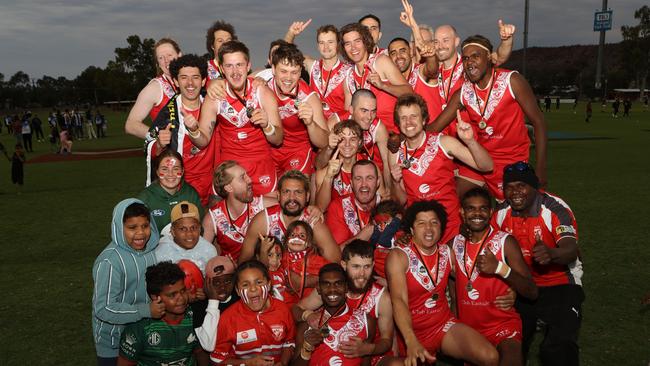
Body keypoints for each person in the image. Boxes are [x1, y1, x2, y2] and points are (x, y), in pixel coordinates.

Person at [428, 34, 548, 199]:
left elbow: (538, 122)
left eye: (476, 56)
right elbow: (434, 128)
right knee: (454, 199)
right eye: (466, 58)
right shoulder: (463, 92)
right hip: (479, 160)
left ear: (490, 58)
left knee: (511, 212)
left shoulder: (512, 81)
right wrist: (402, 136)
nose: (469, 62)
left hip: (512, 161)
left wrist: (541, 168)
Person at [386, 200, 498, 366]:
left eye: (434, 223)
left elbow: (471, 279)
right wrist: (410, 340)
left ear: (441, 228)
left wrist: (508, 289)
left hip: (442, 325)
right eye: (421, 223)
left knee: (490, 357)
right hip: (409, 333)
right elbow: (399, 300)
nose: (429, 228)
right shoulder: (399, 256)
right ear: (412, 229)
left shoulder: (447, 253)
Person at [493, 162, 584, 366]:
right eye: (509, 186)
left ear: (535, 187)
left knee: (558, 347)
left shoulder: (553, 208)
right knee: (510, 343)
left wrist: (552, 253)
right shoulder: (500, 213)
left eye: (521, 186)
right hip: (523, 285)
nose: (515, 192)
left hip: (561, 282)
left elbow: (570, 249)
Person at [390, 93, 493, 244]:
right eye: (403, 118)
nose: (409, 122)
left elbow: (487, 166)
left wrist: (470, 142)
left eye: (414, 116)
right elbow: (401, 200)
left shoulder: (444, 143)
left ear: (424, 119)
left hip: (451, 229)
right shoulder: (395, 153)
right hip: (420, 232)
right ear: (398, 123)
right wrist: (395, 181)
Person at [452, 187, 538, 366]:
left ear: (491, 212)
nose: (477, 213)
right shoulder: (454, 243)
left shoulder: (505, 242)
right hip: (469, 329)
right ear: (462, 212)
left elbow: (532, 291)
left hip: (502, 325)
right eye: (470, 208)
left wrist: (500, 268)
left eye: (483, 208)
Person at [196, 40, 283, 196]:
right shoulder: (216, 96)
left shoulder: (261, 92)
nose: (235, 72)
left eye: (239, 65)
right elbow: (203, 140)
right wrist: (193, 130)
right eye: (229, 66)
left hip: (261, 167)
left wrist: (267, 125)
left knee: (268, 216)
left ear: (248, 66)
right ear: (222, 69)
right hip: (231, 170)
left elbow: (278, 139)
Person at [294, 241, 397, 365]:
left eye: (367, 266)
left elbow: (386, 341)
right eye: (356, 266)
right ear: (344, 265)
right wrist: (307, 315)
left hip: (372, 352)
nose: (362, 274)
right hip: (330, 350)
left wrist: (366, 349)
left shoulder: (382, 297)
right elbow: (296, 309)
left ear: (373, 265)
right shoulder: (332, 289)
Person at [92, 199, 162, 365]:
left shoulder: (151, 252)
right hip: (113, 344)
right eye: (132, 228)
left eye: (145, 226)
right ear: (118, 227)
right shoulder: (110, 262)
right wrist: (146, 310)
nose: (141, 233)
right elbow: (103, 308)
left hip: (143, 337)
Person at [145, 54, 215, 204]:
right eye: (183, 77)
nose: (190, 83)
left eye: (195, 77)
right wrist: (159, 144)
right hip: (183, 188)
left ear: (203, 81)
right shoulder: (167, 114)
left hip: (213, 187)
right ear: (176, 81)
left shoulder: (214, 105)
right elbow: (147, 145)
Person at [240, 170, 341, 264]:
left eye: (298, 192)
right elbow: (243, 262)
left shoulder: (313, 221)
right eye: (286, 192)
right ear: (278, 195)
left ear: (307, 197)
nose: (292, 198)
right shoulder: (263, 220)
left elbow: (335, 262)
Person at [117, 261, 207, 366]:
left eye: (183, 291)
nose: (181, 298)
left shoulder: (196, 316)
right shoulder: (139, 328)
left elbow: (201, 353)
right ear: (155, 297)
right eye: (172, 295)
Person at [210, 260, 296, 365]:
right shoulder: (228, 318)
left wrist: (283, 362)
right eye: (245, 284)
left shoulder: (283, 310)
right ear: (237, 290)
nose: (253, 288)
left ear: (269, 285)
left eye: (259, 282)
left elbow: (289, 342)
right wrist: (248, 363)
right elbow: (218, 361)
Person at [292, 263, 375, 366]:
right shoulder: (307, 325)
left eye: (338, 284)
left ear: (346, 287)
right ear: (318, 288)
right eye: (326, 284)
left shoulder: (365, 321)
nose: (332, 289)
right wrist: (307, 347)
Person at [432, 19, 514, 120]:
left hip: (468, 133)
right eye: (436, 42)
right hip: (441, 132)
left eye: (445, 40)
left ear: (456, 41)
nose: (440, 46)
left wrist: (506, 41)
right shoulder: (433, 70)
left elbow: (500, 56)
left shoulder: (469, 65)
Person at [268, 43, 329, 177]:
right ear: (273, 69)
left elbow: (324, 142)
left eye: (294, 72)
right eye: (283, 71)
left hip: (297, 151)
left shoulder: (309, 98)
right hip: (269, 149)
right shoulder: (263, 86)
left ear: (301, 71)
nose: (288, 78)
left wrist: (310, 123)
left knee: (294, 191)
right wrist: (216, 82)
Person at [340, 22, 412, 133]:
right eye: (348, 44)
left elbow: (410, 92)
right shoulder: (348, 77)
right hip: (368, 140)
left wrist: (383, 86)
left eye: (357, 41)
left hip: (395, 135)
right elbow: (349, 114)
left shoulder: (380, 62)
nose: (353, 47)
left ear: (365, 41)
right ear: (344, 48)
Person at [203, 160, 277, 261]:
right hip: (231, 274)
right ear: (229, 187)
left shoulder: (262, 205)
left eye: (247, 175)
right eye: (243, 178)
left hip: (261, 270)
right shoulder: (213, 218)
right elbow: (202, 256)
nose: (250, 180)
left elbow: (293, 209)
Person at [326, 89, 391, 194]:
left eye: (373, 111)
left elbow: (387, 162)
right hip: (338, 170)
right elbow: (321, 158)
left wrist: (388, 191)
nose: (369, 117)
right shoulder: (336, 122)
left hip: (365, 172)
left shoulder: (378, 127)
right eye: (364, 111)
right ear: (351, 110)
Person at [285, 22, 351, 119]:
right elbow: (287, 52)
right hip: (314, 125)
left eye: (330, 42)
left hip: (336, 128)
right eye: (322, 43)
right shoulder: (312, 66)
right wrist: (291, 33)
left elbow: (348, 112)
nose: (326, 47)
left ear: (338, 44)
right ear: (318, 46)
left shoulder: (348, 71)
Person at [137, 149, 203, 236]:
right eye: (164, 169)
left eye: (175, 169)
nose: (170, 174)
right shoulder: (145, 198)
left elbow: (200, 227)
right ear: (157, 172)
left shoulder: (190, 193)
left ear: (182, 171)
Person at [125, 38, 181, 139]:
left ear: (179, 55)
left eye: (169, 55)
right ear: (158, 64)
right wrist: (158, 136)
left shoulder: (190, 82)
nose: (166, 60)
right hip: (170, 152)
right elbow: (131, 125)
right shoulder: (155, 87)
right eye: (161, 58)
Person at [326, 160, 381, 246]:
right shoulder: (339, 206)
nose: (364, 184)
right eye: (358, 178)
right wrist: (362, 237)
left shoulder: (387, 207)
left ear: (378, 182)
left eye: (369, 178)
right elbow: (337, 254)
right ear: (351, 183)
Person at [155, 201, 217, 275]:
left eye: (193, 228)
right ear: (173, 231)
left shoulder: (209, 250)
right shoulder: (161, 253)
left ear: (200, 229)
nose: (189, 233)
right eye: (183, 229)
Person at [314, 120, 363, 211]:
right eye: (342, 139)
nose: (347, 144)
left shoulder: (369, 167)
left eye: (352, 139)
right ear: (336, 141)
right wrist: (328, 177)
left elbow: (381, 198)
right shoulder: (325, 170)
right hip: (334, 219)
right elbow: (321, 208)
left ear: (359, 142)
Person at [194, 256, 240, 351]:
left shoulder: (240, 298)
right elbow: (208, 345)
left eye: (227, 281)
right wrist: (213, 301)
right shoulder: (199, 305)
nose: (222, 287)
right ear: (207, 283)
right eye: (216, 283)